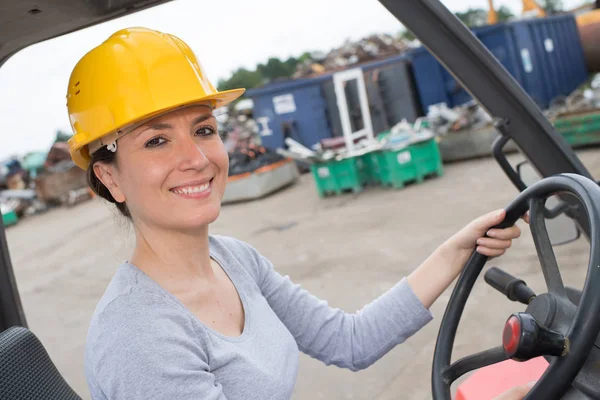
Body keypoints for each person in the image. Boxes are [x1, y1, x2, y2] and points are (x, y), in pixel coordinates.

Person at [67, 27, 530, 400]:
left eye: (204, 129)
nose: (197, 158)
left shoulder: (235, 260)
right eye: (156, 140)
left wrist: (457, 249)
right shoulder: (139, 338)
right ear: (109, 178)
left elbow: (350, 340)